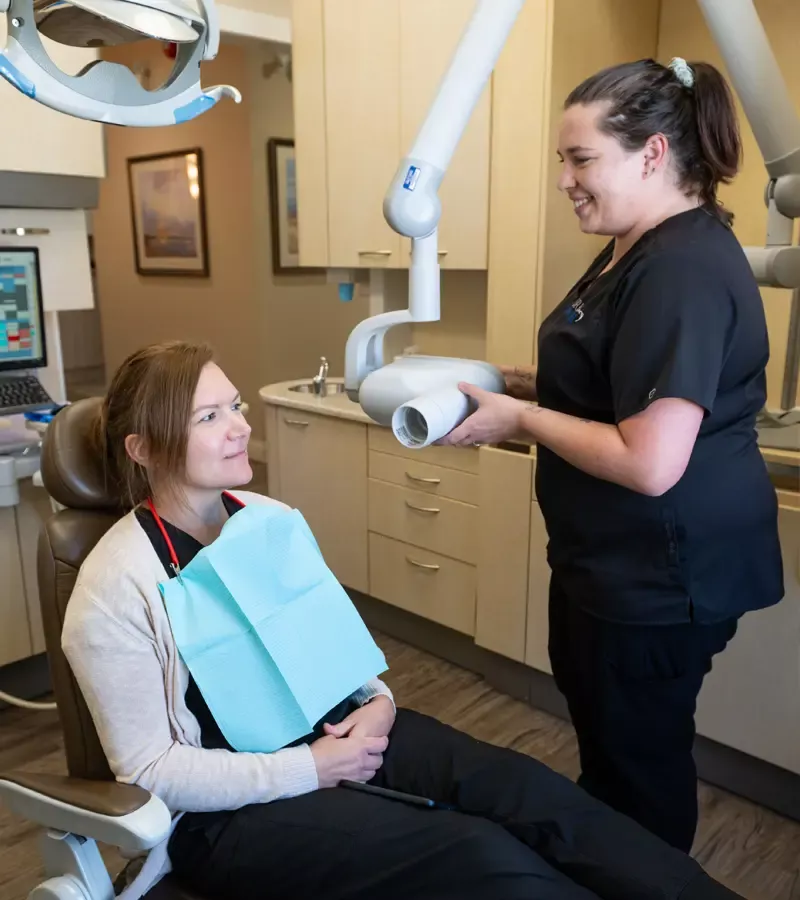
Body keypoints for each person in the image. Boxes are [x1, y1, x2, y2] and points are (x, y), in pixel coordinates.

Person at [60, 340, 742, 900]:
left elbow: (341, 655)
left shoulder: (269, 520)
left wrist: (379, 705)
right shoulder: (115, 587)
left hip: (348, 733)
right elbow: (151, 771)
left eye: (234, 405)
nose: (240, 425)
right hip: (230, 814)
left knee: (528, 792)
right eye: (209, 417)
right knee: (477, 856)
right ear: (143, 449)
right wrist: (310, 768)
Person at [438, 56, 785, 855]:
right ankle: (608, 864)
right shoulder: (633, 245)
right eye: (563, 159)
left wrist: (520, 418)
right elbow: (613, 379)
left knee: (639, 772)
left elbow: (650, 461)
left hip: (659, 576)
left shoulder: (682, 268)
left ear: (653, 153)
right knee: (610, 749)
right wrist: (515, 382)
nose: (565, 180)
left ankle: (643, 876)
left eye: (581, 159)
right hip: (611, 564)